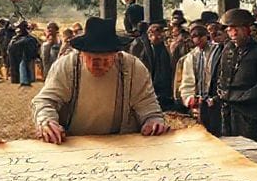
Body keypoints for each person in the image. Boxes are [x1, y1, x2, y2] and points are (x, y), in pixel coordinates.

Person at [32, 17, 167, 142]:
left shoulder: (133, 67)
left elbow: (146, 101)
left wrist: (152, 119)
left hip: (121, 143)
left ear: (116, 54)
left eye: (106, 60)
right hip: (74, 143)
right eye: (94, 60)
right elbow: (46, 100)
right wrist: (47, 121)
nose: (100, 65)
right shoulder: (66, 66)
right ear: (82, 54)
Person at [216, 8, 257, 144]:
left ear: (247, 29)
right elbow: (221, 76)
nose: (234, 33)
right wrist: (222, 93)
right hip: (228, 112)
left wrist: (241, 97)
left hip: (250, 114)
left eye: (238, 28)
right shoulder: (227, 49)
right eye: (230, 29)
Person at [178, 21, 223, 135]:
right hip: (199, 102)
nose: (198, 40)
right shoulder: (191, 57)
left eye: (200, 37)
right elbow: (187, 81)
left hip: (216, 100)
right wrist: (188, 98)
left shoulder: (218, 51)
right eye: (194, 37)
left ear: (206, 36)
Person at [137, 21, 175, 110]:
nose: (160, 37)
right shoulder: (141, 47)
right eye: (157, 35)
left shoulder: (164, 48)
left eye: (161, 35)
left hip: (162, 85)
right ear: (150, 35)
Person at [9, 21, 40, 87]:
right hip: (18, 57)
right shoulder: (16, 39)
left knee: (24, 66)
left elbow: (35, 47)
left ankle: (25, 81)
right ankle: (23, 80)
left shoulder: (30, 39)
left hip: (25, 57)